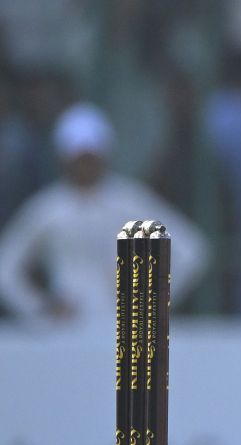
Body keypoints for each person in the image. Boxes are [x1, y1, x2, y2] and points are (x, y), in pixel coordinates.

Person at [0, 104, 206, 327]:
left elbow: (191, 251)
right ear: (64, 158)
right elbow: (6, 268)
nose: (86, 165)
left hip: (120, 327)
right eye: (79, 158)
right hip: (62, 331)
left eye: (91, 157)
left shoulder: (127, 201)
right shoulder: (49, 207)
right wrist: (40, 308)